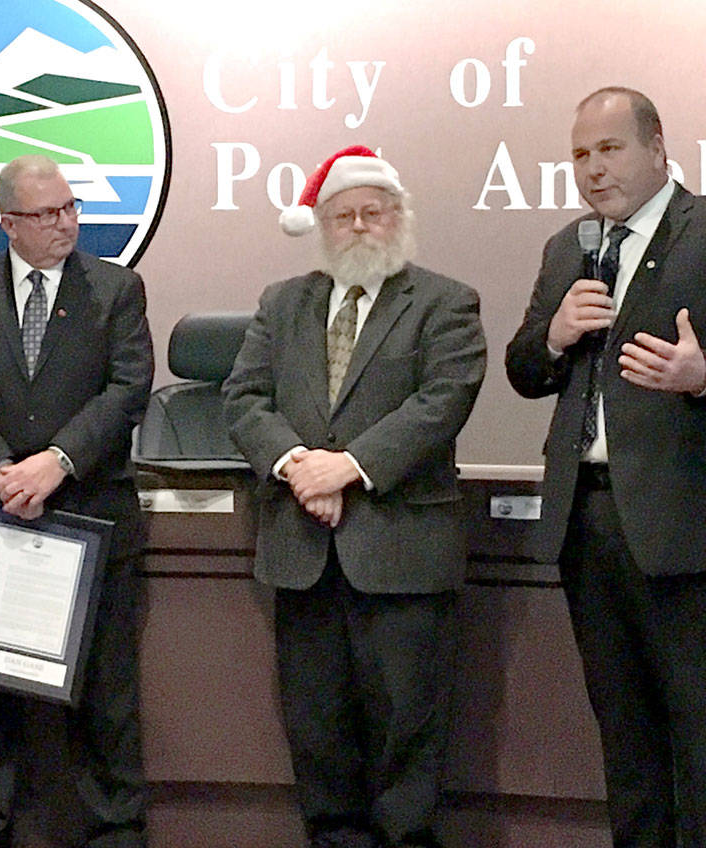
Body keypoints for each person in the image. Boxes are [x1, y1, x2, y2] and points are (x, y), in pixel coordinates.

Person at [505, 87, 706, 847]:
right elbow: (525, 372)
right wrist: (554, 337)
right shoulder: (568, 248)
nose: (593, 169)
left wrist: (704, 373)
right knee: (624, 730)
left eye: (609, 149)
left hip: (685, 519)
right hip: (587, 516)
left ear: (658, 148)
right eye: (579, 155)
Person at [222, 145, 487, 848]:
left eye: (375, 212)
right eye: (344, 216)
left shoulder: (444, 301)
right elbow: (244, 397)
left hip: (402, 558)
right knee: (318, 737)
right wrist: (298, 464)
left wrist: (350, 467)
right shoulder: (283, 304)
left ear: (399, 217)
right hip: (303, 557)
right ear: (322, 225)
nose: (361, 226)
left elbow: (443, 400)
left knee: (407, 740)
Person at [0, 155, 153, 848]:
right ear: (8, 222)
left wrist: (56, 461)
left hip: (91, 518)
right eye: (48, 214)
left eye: (72, 208)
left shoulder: (116, 289)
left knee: (106, 708)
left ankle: (115, 836)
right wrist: (0, 467)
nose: (66, 224)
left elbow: (128, 388)